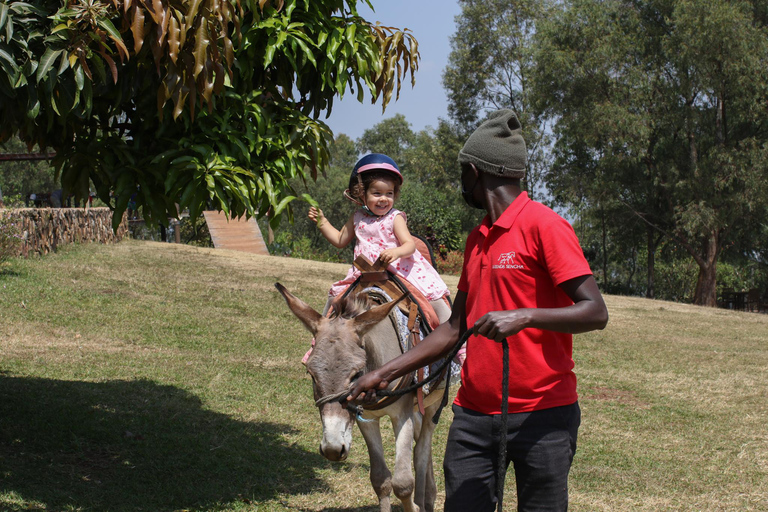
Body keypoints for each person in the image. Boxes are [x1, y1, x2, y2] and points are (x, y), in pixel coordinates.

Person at [349, 111, 609, 512]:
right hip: (473, 416)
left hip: (544, 415)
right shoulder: (478, 238)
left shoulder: (546, 226)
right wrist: (383, 372)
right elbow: (455, 328)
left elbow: (594, 311)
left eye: (462, 173)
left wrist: (524, 315)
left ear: (474, 171)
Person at [304, 153, 456, 363]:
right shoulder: (357, 217)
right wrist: (322, 222)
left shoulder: (395, 217)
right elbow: (340, 239)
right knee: (334, 298)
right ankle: (319, 343)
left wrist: (395, 252)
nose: (384, 198)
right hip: (365, 272)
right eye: (376, 193)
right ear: (362, 194)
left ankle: (459, 345)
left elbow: (409, 245)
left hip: (397, 270)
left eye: (389, 193)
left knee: (434, 301)